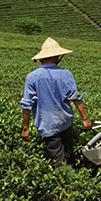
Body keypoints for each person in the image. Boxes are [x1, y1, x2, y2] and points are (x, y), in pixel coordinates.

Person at [20, 37, 92, 165]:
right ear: (56, 57)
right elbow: (75, 97)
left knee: (57, 158)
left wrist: (25, 127)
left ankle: (67, 180)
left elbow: (27, 104)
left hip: (47, 124)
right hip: (65, 121)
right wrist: (85, 118)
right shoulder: (65, 74)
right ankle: (73, 178)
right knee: (68, 154)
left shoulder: (32, 77)